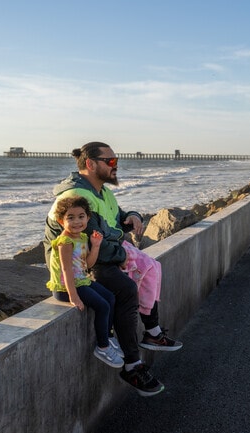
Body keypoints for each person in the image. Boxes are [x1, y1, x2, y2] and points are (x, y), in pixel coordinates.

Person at [44, 141, 183, 397]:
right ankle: (132, 364)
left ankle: (150, 334)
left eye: (115, 160)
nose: (115, 165)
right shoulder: (77, 198)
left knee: (149, 268)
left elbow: (118, 217)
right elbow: (91, 244)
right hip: (82, 267)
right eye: (110, 161)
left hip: (100, 256)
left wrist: (134, 216)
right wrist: (121, 254)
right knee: (126, 289)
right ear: (90, 164)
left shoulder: (102, 192)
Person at [46, 196, 124, 369]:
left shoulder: (81, 237)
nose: (77, 221)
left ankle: (109, 337)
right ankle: (102, 346)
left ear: (88, 218)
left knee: (110, 297)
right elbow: (66, 270)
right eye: (70, 217)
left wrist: (95, 246)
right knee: (102, 306)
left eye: (81, 216)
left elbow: (87, 264)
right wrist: (74, 297)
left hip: (81, 281)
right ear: (61, 220)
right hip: (66, 288)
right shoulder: (65, 242)